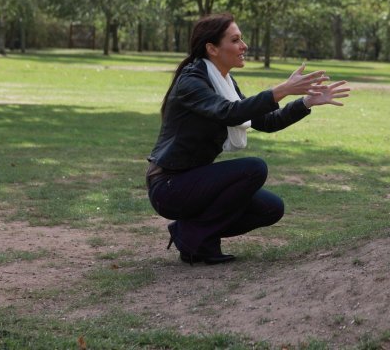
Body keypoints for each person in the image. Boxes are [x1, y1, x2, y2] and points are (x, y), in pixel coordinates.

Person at [146, 13, 350, 265]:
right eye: (235, 40)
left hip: (194, 182)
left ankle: (191, 235)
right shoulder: (191, 81)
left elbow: (266, 121)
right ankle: (194, 238)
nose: (244, 46)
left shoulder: (224, 81)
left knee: (271, 208)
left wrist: (306, 102)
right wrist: (281, 89)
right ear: (212, 48)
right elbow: (229, 113)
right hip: (169, 186)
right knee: (254, 168)